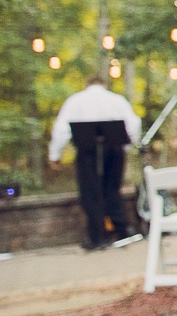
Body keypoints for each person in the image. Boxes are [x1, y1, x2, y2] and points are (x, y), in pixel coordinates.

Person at [48, 75, 143, 250]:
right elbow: (134, 123)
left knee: (90, 192)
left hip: (88, 151)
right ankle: (120, 230)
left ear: (87, 84)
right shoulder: (117, 100)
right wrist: (127, 145)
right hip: (115, 149)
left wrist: (55, 155)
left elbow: (61, 129)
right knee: (112, 189)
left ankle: (97, 235)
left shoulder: (75, 101)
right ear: (104, 84)